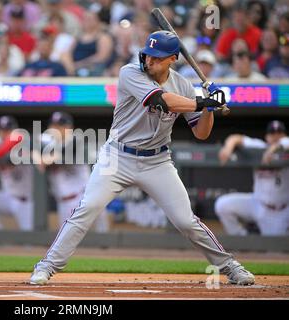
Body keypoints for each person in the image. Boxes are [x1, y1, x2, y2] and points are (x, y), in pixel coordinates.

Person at [30, 30, 255, 286]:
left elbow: (202, 133)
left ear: (172, 58)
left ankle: (230, 267)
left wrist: (210, 109)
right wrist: (202, 102)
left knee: (186, 221)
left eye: (157, 58)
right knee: (87, 208)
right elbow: (160, 100)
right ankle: (46, 266)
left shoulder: (182, 85)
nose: (149, 61)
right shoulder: (130, 72)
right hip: (118, 156)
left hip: (157, 161)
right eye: (148, 55)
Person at [36, 112, 109, 232]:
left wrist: (47, 158)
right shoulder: (48, 145)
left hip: (84, 197)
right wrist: (37, 155)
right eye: (53, 126)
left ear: (69, 128)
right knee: (66, 242)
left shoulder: (76, 140)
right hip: (64, 203)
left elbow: (65, 152)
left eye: (60, 126)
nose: (55, 129)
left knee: (103, 237)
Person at [215, 120, 289, 236]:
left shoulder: (286, 147)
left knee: (272, 252)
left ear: (284, 135)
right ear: (267, 137)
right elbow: (236, 138)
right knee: (222, 205)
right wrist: (228, 147)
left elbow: (286, 142)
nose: (276, 136)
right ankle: (242, 236)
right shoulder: (259, 147)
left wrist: (275, 148)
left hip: (279, 211)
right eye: (272, 133)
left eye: (279, 133)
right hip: (257, 203)